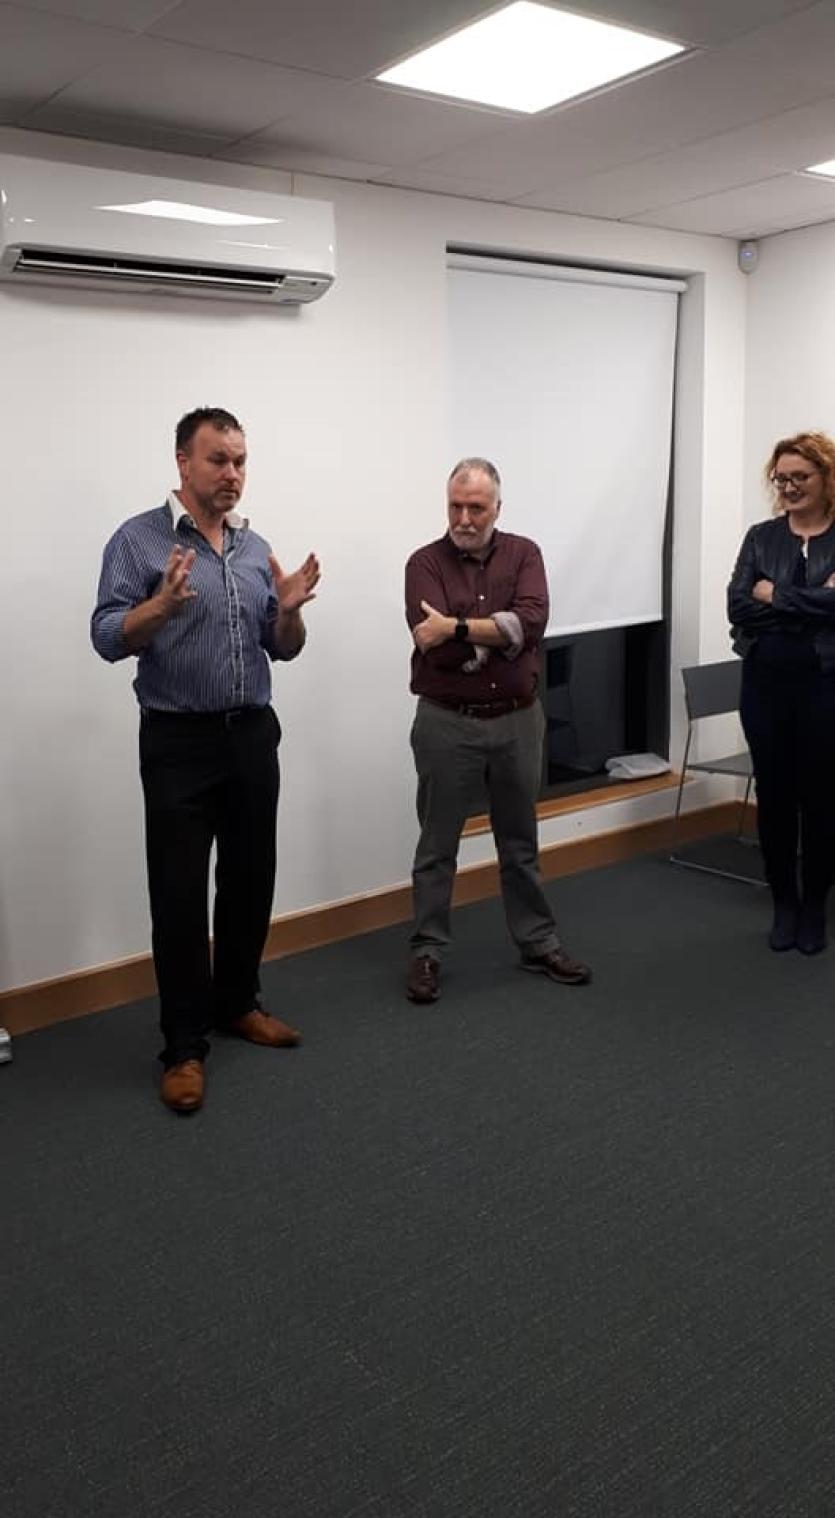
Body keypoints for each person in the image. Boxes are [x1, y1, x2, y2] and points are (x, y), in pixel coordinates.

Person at [91, 407, 320, 1111]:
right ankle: (184, 1046)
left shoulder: (255, 548)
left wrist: (287, 612)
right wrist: (157, 609)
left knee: (251, 880)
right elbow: (105, 635)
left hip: (251, 733)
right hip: (177, 743)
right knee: (181, 896)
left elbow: (282, 647)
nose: (233, 475)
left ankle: (237, 1003)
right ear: (183, 463)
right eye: (219, 460)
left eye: (241, 461)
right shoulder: (137, 541)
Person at [403, 457, 591, 1003]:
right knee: (437, 846)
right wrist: (496, 632)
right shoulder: (424, 562)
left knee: (519, 840)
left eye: (476, 507)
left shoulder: (524, 554)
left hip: (516, 720)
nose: (464, 517)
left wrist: (459, 626)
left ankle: (538, 942)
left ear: (497, 509)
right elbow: (428, 641)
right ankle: (427, 952)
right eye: (455, 506)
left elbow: (531, 622)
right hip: (446, 722)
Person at [727, 430, 835, 954]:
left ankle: (814, 904)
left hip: (825, 686)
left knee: (821, 799)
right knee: (773, 798)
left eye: (800, 477)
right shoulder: (760, 537)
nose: (789, 486)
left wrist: (776, 595)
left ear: (826, 478)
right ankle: (784, 904)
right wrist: (815, 599)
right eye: (782, 478)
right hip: (765, 689)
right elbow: (738, 607)